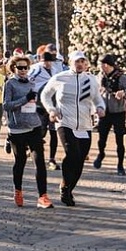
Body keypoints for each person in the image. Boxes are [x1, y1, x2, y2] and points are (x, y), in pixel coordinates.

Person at [39, 50, 104, 207]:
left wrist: (100, 107)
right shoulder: (60, 77)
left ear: (86, 63)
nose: (80, 64)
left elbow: (97, 98)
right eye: (77, 61)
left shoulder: (91, 80)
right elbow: (45, 95)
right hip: (64, 121)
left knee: (80, 158)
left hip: (84, 124)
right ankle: (65, 189)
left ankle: (67, 187)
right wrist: (52, 110)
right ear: (71, 63)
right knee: (72, 153)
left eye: (83, 61)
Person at [3, 54, 52, 208]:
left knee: (39, 162)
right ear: (14, 68)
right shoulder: (10, 84)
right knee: (20, 162)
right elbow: (6, 105)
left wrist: (40, 109)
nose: (23, 70)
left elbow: (32, 103)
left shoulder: (32, 83)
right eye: (20, 67)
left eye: (26, 67)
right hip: (17, 129)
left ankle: (42, 196)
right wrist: (25, 99)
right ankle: (18, 190)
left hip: (34, 126)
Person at [95, 54, 126, 175]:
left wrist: (124, 93)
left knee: (119, 140)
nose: (100, 67)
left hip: (118, 112)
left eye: (101, 64)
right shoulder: (100, 76)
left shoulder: (121, 77)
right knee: (101, 138)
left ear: (106, 65)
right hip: (104, 111)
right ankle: (101, 154)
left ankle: (120, 165)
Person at [28, 51, 61, 168]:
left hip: (53, 104)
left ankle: (52, 159)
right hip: (39, 104)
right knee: (40, 131)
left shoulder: (56, 70)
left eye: (49, 61)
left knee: (54, 132)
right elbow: (28, 81)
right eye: (45, 61)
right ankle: (33, 149)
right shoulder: (35, 69)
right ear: (40, 61)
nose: (47, 64)